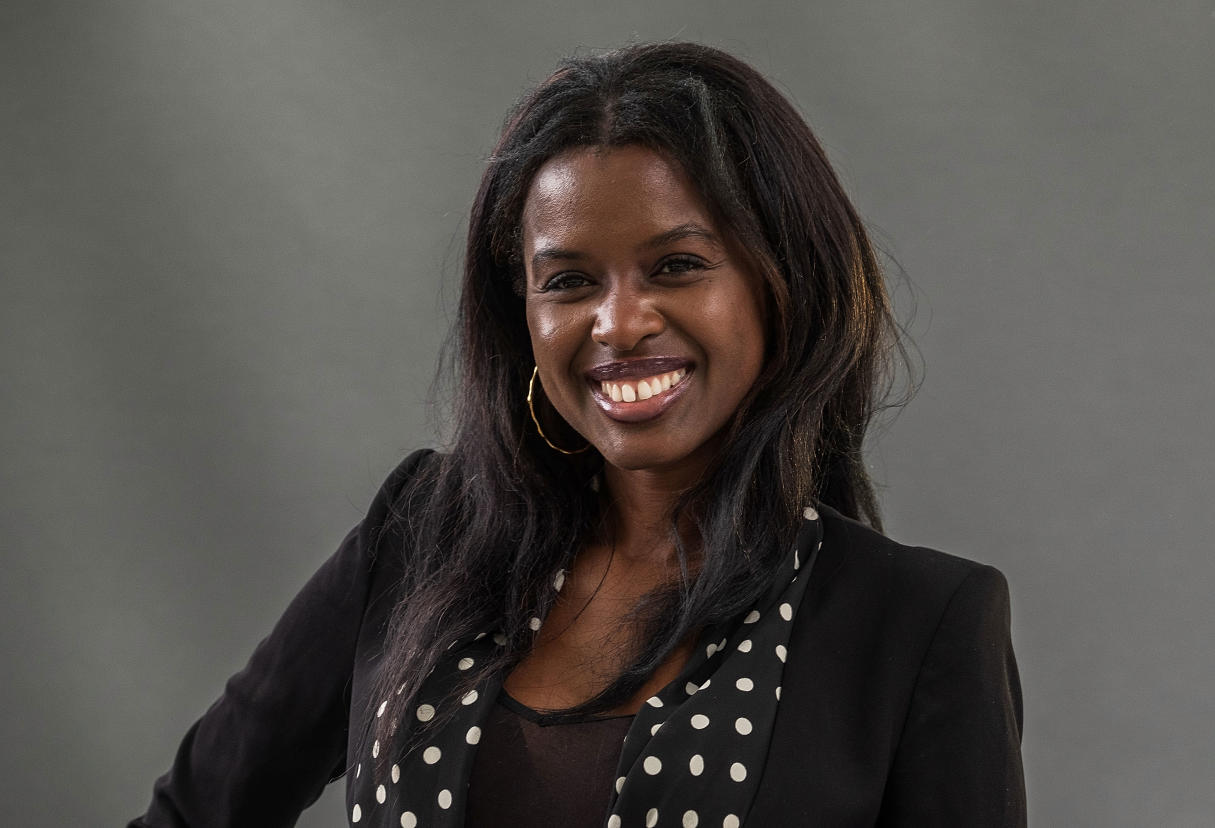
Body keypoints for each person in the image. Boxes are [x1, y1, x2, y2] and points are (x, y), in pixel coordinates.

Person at [131, 42, 1025, 827]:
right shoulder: (420, 537)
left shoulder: (915, 626)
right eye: (568, 282)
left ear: (781, 285)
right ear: (519, 311)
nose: (619, 322)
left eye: (676, 266)